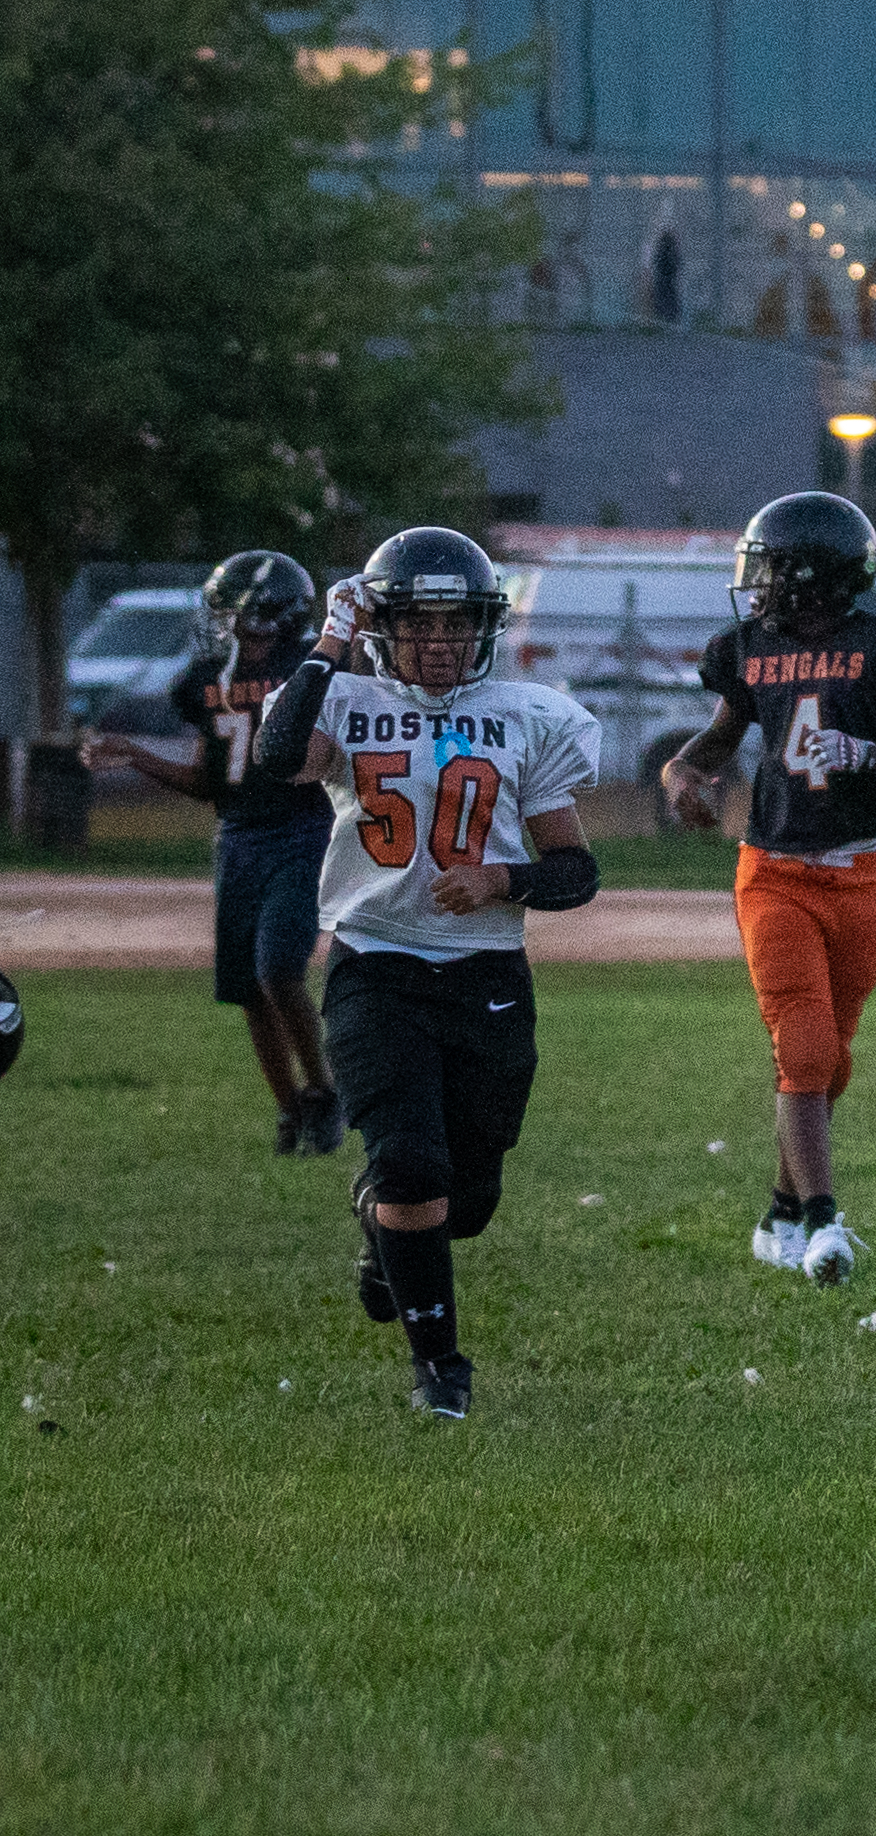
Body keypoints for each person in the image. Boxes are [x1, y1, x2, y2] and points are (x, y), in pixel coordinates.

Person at [245, 527, 602, 1421]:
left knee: (466, 1200)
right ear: (380, 625)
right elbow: (278, 757)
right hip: (375, 965)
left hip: (486, 976)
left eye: (455, 624)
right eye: (418, 623)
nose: (439, 643)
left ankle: (383, 1230)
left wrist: (501, 879)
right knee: (410, 1166)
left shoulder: (529, 714)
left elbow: (576, 870)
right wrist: (327, 645)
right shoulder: (346, 697)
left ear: (483, 627)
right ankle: (439, 1368)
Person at [657, 491, 876, 1287]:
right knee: (805, 1044)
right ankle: (824, 1225)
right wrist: (681, 775)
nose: (758, 586)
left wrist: (863, 753)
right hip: (774, 871)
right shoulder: (751, 649)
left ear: (813, 576)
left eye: (773, 569)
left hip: (859, 873)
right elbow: (712, 744)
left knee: (831, 1062)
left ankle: (781, 1213)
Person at [83, 550, 341, 1154]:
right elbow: (209, 781)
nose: (233, 627)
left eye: (245, 615)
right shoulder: (203, 679)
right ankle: (289, 1111)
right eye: (228, 615)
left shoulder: (312, 667)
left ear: (281, 616)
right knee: (248, 989)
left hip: (303, 835)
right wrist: (138, 755)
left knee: (278, 969)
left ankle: (324, 1093)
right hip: (238, 838)